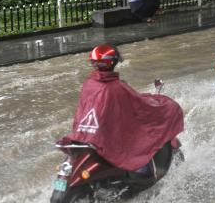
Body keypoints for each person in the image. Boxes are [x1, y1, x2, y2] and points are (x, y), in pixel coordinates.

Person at [59, 44, 184, 179]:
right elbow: (141, 105)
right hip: (105, 139)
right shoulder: (117, 87)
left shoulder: (89, 84)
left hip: (87, 136)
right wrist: (163, 103)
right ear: (113, 62)